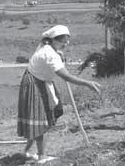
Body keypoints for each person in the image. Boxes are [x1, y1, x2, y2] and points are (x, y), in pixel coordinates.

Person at [17, 25, 101, 164]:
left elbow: (54, 56)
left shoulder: (47, 47)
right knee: (39, 119)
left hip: (39, 81)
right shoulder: (49, 54)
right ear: (54, 40)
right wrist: (88, 83)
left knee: (38, 118)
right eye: (63, 41)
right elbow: (66, 77)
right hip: (35, 84)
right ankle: (42, 156)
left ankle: (27, 151)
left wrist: (59, 53)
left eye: (68, 40)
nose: (66, 43)